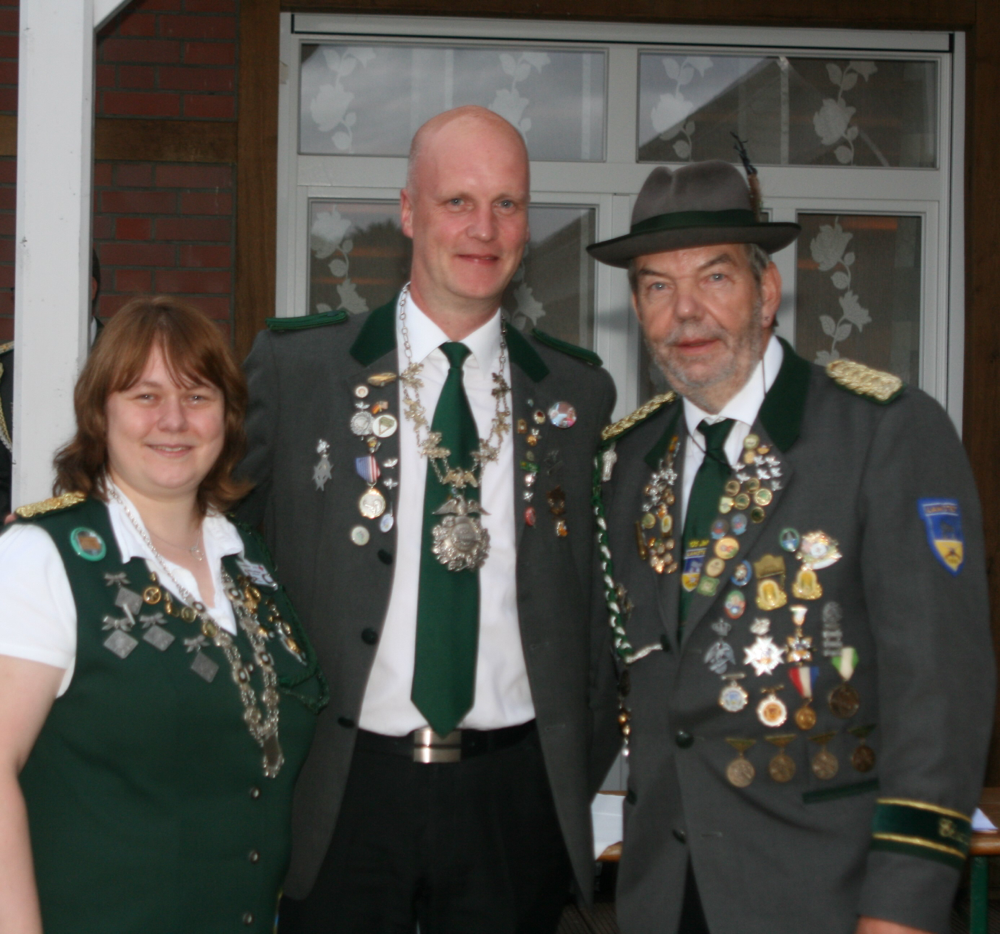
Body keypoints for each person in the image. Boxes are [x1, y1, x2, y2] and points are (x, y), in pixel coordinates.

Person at [587, 159, 994, 934]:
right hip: (665, 897)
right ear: (637, 308)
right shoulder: (631, 462)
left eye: (715, 277)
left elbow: (940, 693)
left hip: (831, 899)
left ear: (766, 291)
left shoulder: (881, 431)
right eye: (656, 286)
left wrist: (902, 907)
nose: (686, 312)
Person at [239, 104, 619, 933]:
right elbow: (216, 539)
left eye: (508, 204)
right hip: (340, 793)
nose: (484, 228)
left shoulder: (577, 394)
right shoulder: (300, 369)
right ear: (408, 210)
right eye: (457, 202)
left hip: (512, 799)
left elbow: (599, 606)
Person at [0, 296, 327, 934]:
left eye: (198, 396)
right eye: (145, 396)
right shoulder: (41, 557)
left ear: (230, 417)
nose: (174, 420)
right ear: (100, 412)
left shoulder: (249, 559)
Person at [0, 250, 103, 516]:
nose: (32, 298)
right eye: (22, 289)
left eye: (47, 287)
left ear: (89, 288)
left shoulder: (134, 360)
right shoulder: (4, 368)